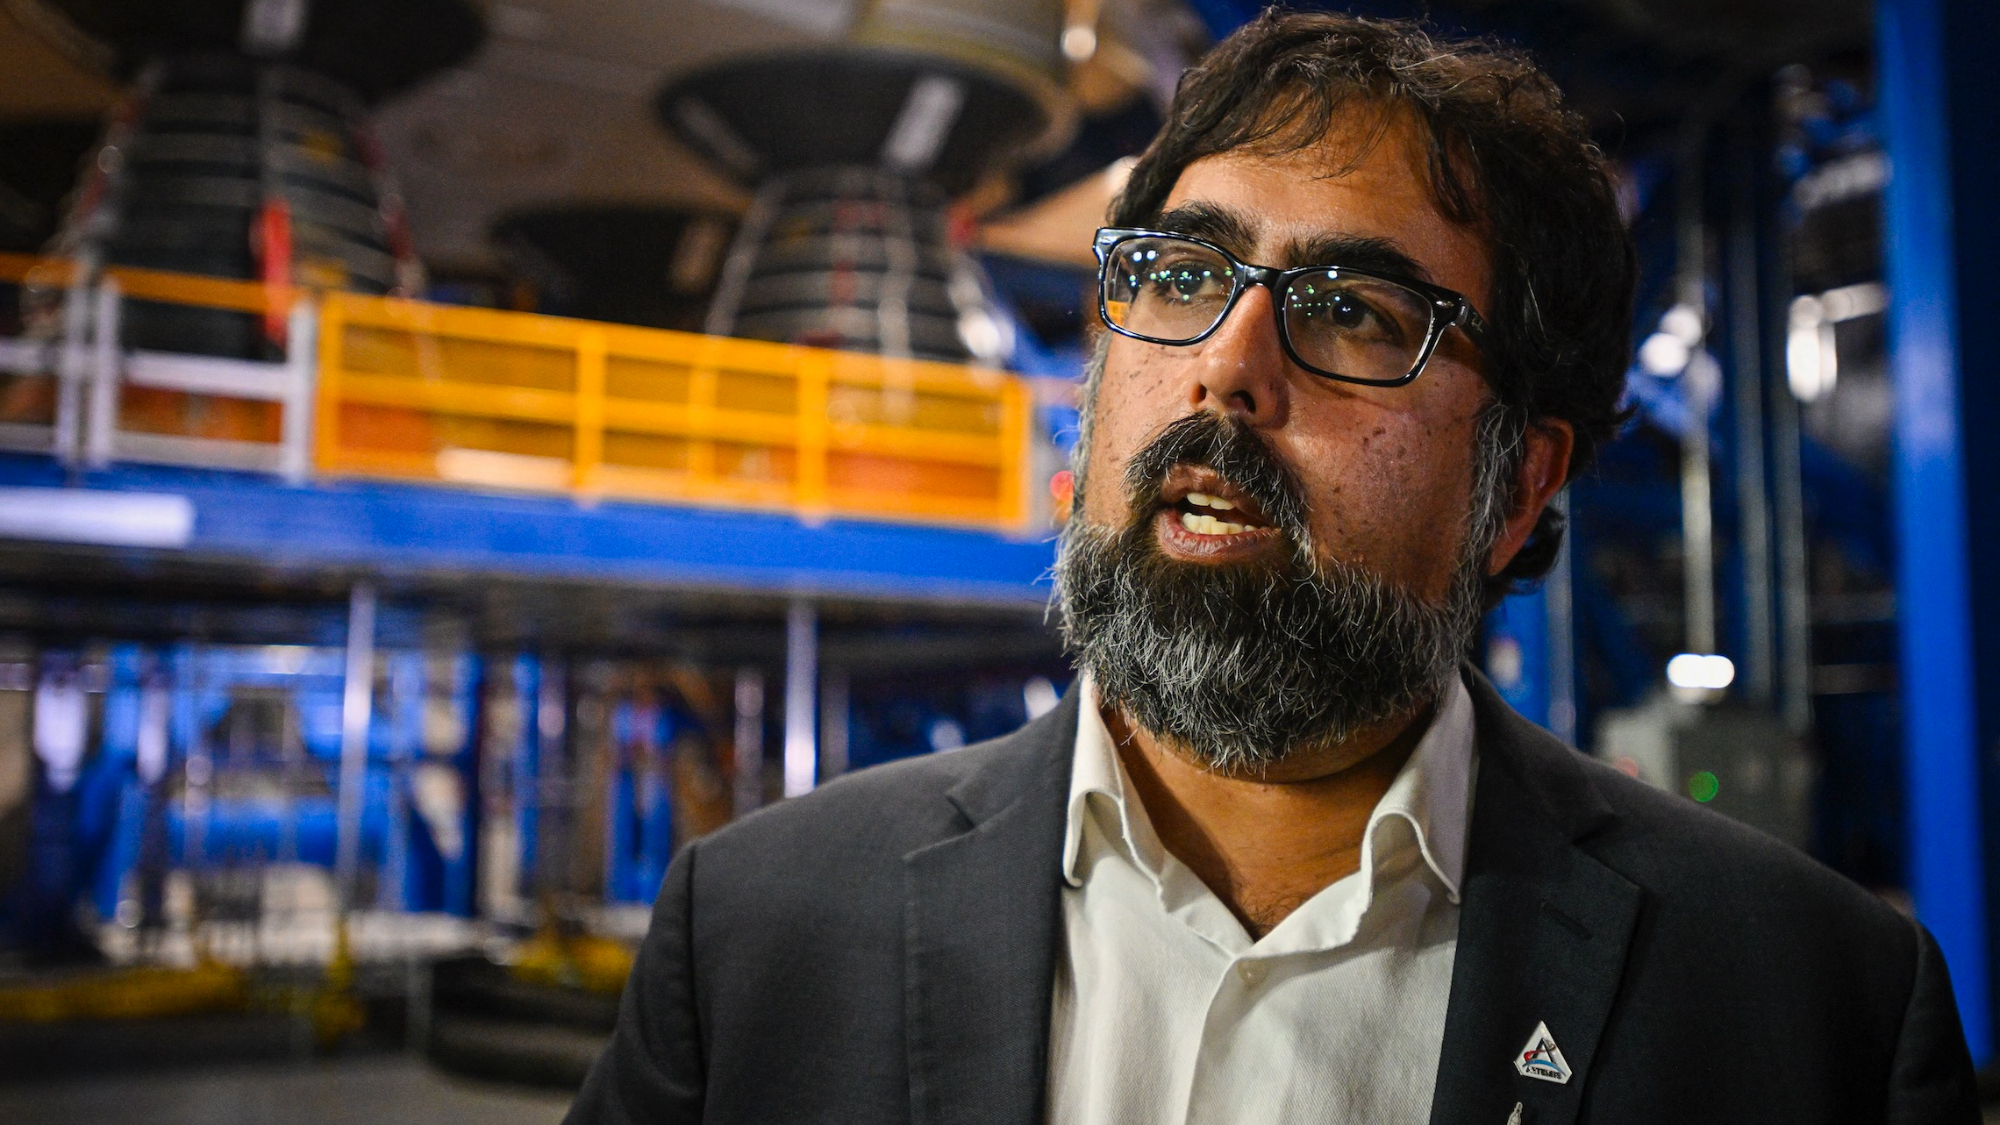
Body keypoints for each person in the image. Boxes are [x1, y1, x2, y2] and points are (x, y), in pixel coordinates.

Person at [566, 11, 1979, 1124]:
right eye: (1180, 277)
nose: (1226, 371)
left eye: (1354, 310)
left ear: (1517, 486)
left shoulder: (1810, 1008)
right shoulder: (754, 934)